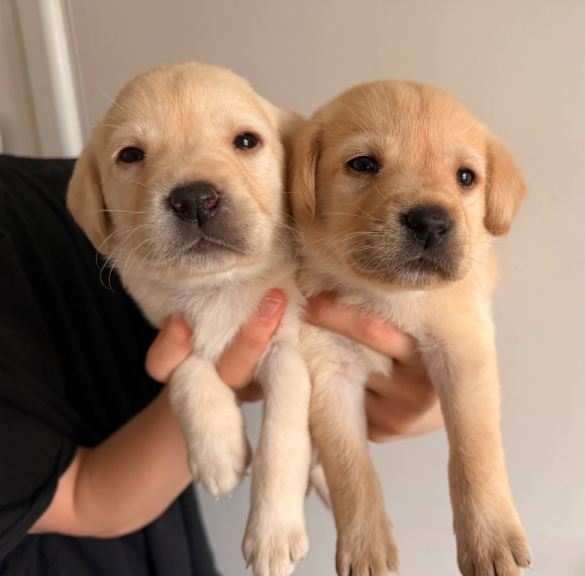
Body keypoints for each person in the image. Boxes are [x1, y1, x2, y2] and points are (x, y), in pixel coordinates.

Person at [0, 155, 443, 575]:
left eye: (246, 141)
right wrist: (205, 385)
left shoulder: (60, 180)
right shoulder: (94, 193)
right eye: (133, 154)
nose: (195, 194)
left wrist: (441, 367)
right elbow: (83, 497)